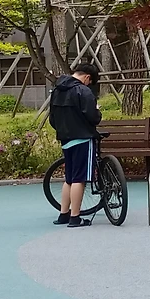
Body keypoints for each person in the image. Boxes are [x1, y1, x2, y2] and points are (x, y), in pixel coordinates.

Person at [48, 60, 102, 228]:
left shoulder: (57, 90)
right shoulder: (83, 91)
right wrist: (98, 111)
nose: (89, 85)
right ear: (87, 77)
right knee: (79, 179)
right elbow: (93, 116)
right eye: (90, 82)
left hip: (65, 139)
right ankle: (75, 217)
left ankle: (63, 214)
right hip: (83, 138)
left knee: (69, 179)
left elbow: (52, 118)